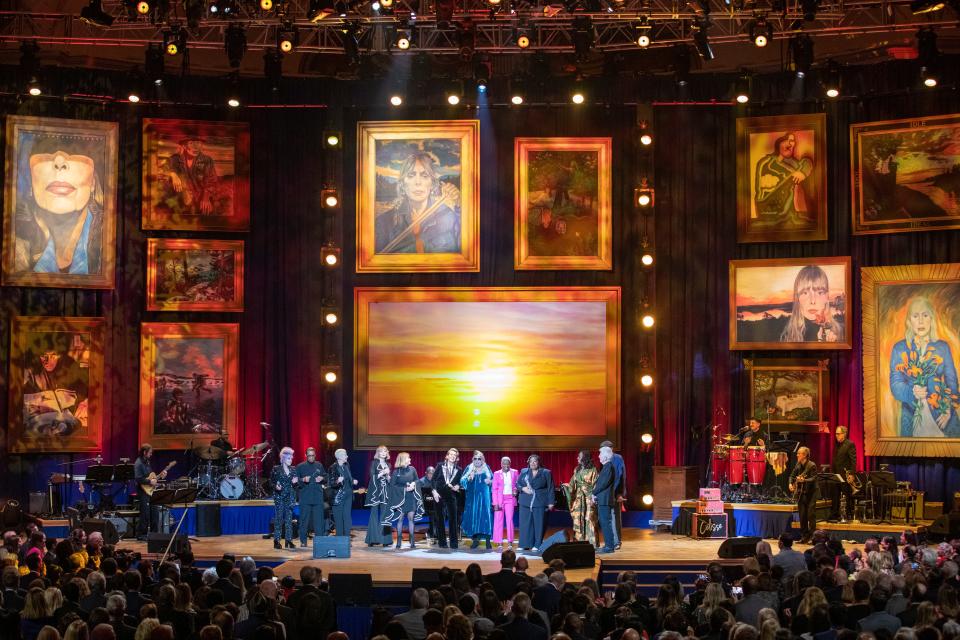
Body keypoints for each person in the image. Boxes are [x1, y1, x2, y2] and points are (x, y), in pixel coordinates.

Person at [13, 133, 108, 276]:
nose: (59, 161)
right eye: (46, 149)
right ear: (31, 179)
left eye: (76, 151)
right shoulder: (17, 241)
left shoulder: (109, 238)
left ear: (93, 182)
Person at [890, 296, 960, 438]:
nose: (921, 321)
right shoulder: (900, 348)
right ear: (909, 321)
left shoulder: (942, 347)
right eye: (915, 316)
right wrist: (912, 392)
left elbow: (952, 381)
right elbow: (895, 384)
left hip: (942, 414)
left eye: (925, 315)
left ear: (931, 319)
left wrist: (948, 408)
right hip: (912, 415)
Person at [374, 151, 461, 254]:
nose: (418, 182)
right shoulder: (384, 223)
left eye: (424, 176)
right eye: (411, 175)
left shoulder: (449, 217)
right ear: (402, 184)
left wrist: (459, 205)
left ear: (432, 183)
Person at [22, 333, 89, 436]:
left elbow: (91, 390)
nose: (48, 361)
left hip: (70, 426)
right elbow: (26, 409)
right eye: (44, 356)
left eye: (53, 355)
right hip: (46, 429)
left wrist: (85, 402)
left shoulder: (72, 369)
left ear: (59, 355)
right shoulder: (33, 375)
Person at [753, 132, 815, 228]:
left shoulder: (792, 163)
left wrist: (802, 172)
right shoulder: (766, 162)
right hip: (768, 213)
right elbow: (792, 170)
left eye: (793, 141)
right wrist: (801, 171)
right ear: (779, 143)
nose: (791, 144)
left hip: (788, 215)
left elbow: (807, 162)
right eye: (788, 140)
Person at [779, 265, 844, 343]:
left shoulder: (841, 332)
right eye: (805, 293)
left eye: (820, 292)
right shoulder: (784, 334)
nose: (812, 301)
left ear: (827, 296)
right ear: (797, 298)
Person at [164, 136, 220, 216]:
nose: (196, 147)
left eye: (198, 143)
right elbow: (164, 168)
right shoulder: (175, 159)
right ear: (184, 146)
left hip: (201, 197)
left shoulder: (207, 160)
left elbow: (212, 181)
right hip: (181, 198)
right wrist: (173, 174)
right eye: (191, 143)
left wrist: (206, 197)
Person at [383, 452, 423, 549]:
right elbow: (392, 486)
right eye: (408, 458)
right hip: (400, 499)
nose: (410, 459)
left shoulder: (412, 469)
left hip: (411, 498)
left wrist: (414, 483)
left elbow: (418, 480)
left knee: (411, 519)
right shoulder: (397, 472)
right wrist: (405, 488)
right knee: (400, 520)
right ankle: (399, 541)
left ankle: (412, 541)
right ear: (403, 459)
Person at [517, 454, 554, 551]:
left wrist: (551, 502)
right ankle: (525, 544)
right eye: (531, 461)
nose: (533, 463)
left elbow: (550, 487)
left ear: (539, 462)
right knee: (525, 524)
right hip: (525, 501)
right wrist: (523, 488)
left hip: (539, 500)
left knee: (539, 523)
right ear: (528, 463)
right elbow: (517, 484)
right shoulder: (524, 471)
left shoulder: (546, 472)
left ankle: (537, 544)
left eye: (535, 461)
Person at [563, 450, 599, 547]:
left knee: (590, 519)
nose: (577, 458)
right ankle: (579, 541)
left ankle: (592, 543)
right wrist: (567, 487)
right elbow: (572, 484)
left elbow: (596, 485)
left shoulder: (593, 470)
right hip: (578, 499)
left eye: (579, 456)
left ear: (585, 458)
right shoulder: (577, 469)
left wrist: (593, 498)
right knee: (578, 519)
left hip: (589, 498)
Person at [460, 451, 493, 550]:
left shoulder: (487, 469)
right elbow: (462, 481)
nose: (477, 460)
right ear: (472, 460)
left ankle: (488, 541)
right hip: (472, 498)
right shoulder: (469, 468)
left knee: (485, 517)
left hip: (484, 498)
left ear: (483, 460)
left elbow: (494, 481)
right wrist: (469, 478)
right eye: (475, 459)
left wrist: (490, 481)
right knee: (474, 518)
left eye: (479, 458)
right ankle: (475, 540)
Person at [134, 444, 167, 540]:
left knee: (155, 513)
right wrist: (150, 481)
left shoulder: (147, 462)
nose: (151, 454)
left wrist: (160, 476)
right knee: (145, 514)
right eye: (150, 453)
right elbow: (138, 478)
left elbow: (151, 477)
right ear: (144, 452)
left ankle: (154, 534)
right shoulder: (138, 463)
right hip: (143, 491)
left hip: (150, 491)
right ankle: (142, 535)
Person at [432, 448, 464, 549]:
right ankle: (442, 543)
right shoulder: (440, 465)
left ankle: (454, 543)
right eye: (451, 454)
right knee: (440, 519)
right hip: (439, 495)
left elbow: (460, 482)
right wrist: (434, 492)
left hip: (451, 496)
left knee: (453, 520)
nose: (453, 456)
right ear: (447, 456)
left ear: (456, 458)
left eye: (455, 455)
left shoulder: (459, 469)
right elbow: (433, 480)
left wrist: (458, 486)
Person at [296, 447, 327, 548]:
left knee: (319, 521)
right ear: (306, 456)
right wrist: (303, 479)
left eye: (313, 455)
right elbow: (295, 482)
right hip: (305, 497)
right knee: (304, 520)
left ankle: (320, 541)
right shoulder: (300, 466)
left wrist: (322, 478)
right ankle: (303, 541)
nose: (311, 457)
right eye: (309, 455)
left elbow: (326, 477)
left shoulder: (319, 465)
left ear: (315, 455)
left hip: (317, 497)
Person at [788, 446, 818, 543]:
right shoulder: (798, 465)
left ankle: (813, 537)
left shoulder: (811, 465)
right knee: (802, 516)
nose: (797, 455)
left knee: (810, 515)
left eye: (799, 453)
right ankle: (804, 536)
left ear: (804, 455)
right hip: (802, 493)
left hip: (812, 493)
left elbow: (813, 478)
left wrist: (804, 480)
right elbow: (792, 476)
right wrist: (790, 484)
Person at [599, 441, 626, 548]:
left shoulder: (617, 458)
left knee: (615, 517)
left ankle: (617, 541)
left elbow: (621, 476)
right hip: (606, 494)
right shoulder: (604, 459)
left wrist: (619, 493)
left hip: (614, 493)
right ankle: (611, 542)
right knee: (608, 518)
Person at [365, 445, 393, 547]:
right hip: (375, 492)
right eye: (381, 451)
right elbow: (371, 476)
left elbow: (389, 480)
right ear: (378, 453)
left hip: (385, 492)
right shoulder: (374, 463)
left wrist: (388, 477)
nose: (383, 453)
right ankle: (372, 539)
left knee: (385, 515)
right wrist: (382, 473)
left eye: (385, 451)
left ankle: (385, 540)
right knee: (373, 514)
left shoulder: (388, 464)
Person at [270, 447, 298, 549]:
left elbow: (296, 485)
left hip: (290, 497)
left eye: (291, 458)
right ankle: (277, 540)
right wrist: (275, 487)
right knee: (279, 519)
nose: (290, 460)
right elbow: (271, 482)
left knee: (289, 519)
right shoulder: (276, 469)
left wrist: (295, 483)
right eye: (288, 458)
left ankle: (288, 540)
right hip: (280, 496)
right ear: (283, 458)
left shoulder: (293, 469)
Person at [828, 425, 857, 523]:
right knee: (835, 495)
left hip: (845, 475)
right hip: (836, 475)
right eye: (836, 433)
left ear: (844, 434)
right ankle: (835, 515)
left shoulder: (850, 444)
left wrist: (852, 474)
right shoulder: (837, 445)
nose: (836, 435)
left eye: (838, 433)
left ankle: (847, 515)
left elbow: (853, 460)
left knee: (846, 495)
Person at [592, 448, 617, 554]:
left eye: (600, 454)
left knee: (606, 523)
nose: (598, 456)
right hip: (603, 499)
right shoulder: (606, 467)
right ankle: (608, 545)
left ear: (606, 456)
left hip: (605, 500)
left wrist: (593, 492)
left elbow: (603, 484)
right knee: (604, 522)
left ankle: (609, 546)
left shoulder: (608, 467)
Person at [328, 448, 357, 538]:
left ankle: (346, 538)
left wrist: (353, 481)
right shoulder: (333, 467)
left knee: (347, 517)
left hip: (348, 494)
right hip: (338, 496)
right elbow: (330, 483)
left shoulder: (346, 465)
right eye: (345, 455)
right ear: (340, 457)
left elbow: (349, 478)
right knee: (339, 518)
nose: (347, 456)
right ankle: (340, 539)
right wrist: (337, 481)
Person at [492, 457, 519, 551]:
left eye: (508, 463)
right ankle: (499, 542)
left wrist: (515, 490)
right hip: (499, 499)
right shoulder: (496, 473)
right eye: (504, 463)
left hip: (510, 499)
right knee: (498, 520)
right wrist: (495, 503)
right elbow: (494, 489)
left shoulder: (515, 472)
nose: (506, 465)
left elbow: (517, 484)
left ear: (510, 464)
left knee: (509, 520)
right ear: (501, 464)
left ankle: (510, 541)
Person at [418, 466, 438, 544]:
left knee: (439, 514)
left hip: (434, 504)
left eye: (433, 473)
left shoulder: (436, 481)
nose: (431, 475)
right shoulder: (421, 481)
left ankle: (433, 532)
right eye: (429, 473)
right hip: (424, 506)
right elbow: (419, 495)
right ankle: (432, 534)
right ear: (426, 473)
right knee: (433, 515)